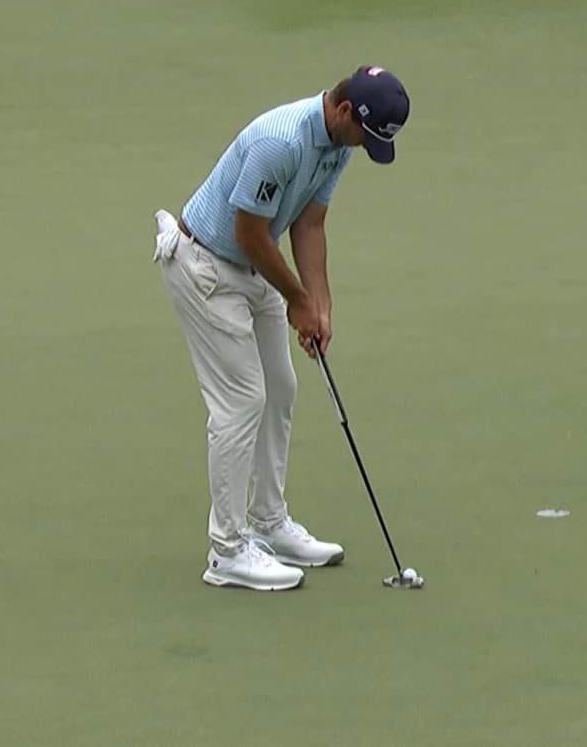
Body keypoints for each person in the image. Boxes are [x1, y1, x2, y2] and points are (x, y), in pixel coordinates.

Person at [151, 65, 410, 591]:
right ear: (343, 112)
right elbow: (248, 231)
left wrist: (319, 305)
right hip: (205, 266)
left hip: (253, 266)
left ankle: (268, 522)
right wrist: (295, 297)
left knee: (282, 387)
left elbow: (309, 223)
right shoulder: (282, 143)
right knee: (242, 401)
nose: (363, 147)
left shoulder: (337, 145)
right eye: (366, 135)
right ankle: (226, 550)